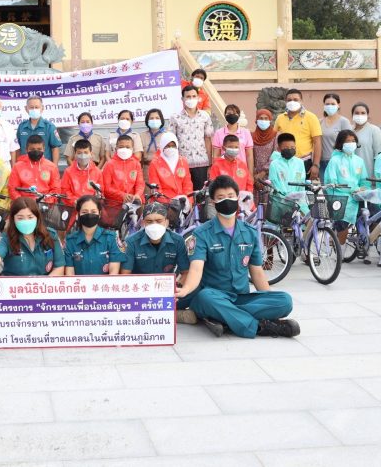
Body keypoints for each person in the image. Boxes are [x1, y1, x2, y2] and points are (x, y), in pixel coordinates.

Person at [178, 175, 299, 338]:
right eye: (221, 197)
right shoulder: (201, 234)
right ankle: (259, 327)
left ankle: (225, 318)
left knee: (285, 301)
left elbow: (257, 273)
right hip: (214, 296)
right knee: (204, 298)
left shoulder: (249, 232)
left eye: (230, 196)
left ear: (237, 198)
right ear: (213, 202)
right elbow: (196, 270)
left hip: (241, 297)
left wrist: (268, 298)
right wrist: (185, 290)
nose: (227, 201)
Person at [120, 202, 200, 324]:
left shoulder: (178, 240)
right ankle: (173, 315)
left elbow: (185, 272)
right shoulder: (131, 242)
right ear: (143, 223)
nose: (154, 225)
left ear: (166, 222)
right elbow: (125, 276)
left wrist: (176, 288)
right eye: (149, 221)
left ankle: (154, 313)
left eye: (159, 221)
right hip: (140, 292)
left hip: (166, 291)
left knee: (195, 289)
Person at [0, 197, 64, 279]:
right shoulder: (7, 237)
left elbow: (59, 267)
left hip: (44, 285)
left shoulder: (50, 235)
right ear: (13, 219)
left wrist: (42, 285)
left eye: (30, 217)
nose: (26, 221)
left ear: (37, 217)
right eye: (20, 218)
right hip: (14, 286)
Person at [323, 129, 369, 245]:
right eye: (347, 141)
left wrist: (365, 189)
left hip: (357, 196)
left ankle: (365, 243)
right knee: (343, 224)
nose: (351, 144)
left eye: (353, 141)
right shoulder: (335, 160)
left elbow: (364, 180)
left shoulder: (359, 161)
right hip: (340, 197)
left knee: (372, 214)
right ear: (341, 143)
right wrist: (353, 189)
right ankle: (340, 248)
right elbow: (331, 182)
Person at [63, 195, 125, 275]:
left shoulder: (111, 238)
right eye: (84, 212)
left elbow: (114, 272)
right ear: (78, 214)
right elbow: (69, 274)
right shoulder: (70, 241)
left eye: (93, 212)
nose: (89, 215)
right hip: (79, 283)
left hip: (105, 283)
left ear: (99, 214)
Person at [168, 85, 214, 189]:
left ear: (198, 98)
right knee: (185, 193)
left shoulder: (205, 116)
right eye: (188, 97)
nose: (191, 99)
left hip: (202, 163)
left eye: (194, 96)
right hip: (182, 164)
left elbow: (208, 139)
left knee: (200, 194)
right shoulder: (175, 117)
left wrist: (210, 163)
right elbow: (172, 142)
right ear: (182, 99)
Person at [273, 88, 322, 178]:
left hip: (304, 162)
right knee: (285, 186)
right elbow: (273, 139)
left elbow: (317, 142)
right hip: (284, 162)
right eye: (289, 100)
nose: (292, 102)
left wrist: (316, 165)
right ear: (285, 102)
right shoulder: (280, 118)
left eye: (295, 100)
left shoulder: (311, 117)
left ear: (301, 101)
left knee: (302, 187)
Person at [8, 134, 59, 200]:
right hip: (23, 203)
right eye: (32, 149)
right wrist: (22, 203)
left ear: (44, 149)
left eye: (39, 149)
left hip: (46, 203)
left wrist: (47, 201)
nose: (36, 151)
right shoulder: (17, 167)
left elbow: (56, 189)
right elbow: (12, 189)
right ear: (26, 149)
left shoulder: (52, 167)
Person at [268, 133, 309, 214]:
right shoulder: (274, 164)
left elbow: (301, 183)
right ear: (279, 148)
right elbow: (274, 184)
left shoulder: (300, 163)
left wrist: (299, 198)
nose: (290, 150)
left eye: (292, 147)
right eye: (286, 148)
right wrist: (286, 198)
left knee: (307, 218)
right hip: (280, 202)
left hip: (298, 201)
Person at [100, 134, 144, 208]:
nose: (124, 149)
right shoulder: (110, 164)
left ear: (132, 149)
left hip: (133, 203)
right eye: (121, 147)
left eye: (127, 147)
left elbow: (140, 183)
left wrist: (137, 194)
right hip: (114, 204)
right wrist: (122, 195)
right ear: (116, 148)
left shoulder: (136, 164)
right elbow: (106, 187)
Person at [147, 132, 193, 202]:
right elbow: (156, 188)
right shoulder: (155, 163)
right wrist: (169, 202)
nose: (170, 148)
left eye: (173, 146)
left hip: (182, 200)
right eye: (167, 146)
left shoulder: (183, 161)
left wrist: (189, 201)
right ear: (162, 146)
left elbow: (187, 184)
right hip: (163, 202)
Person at [15, 95, 61, 164]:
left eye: (36, 107)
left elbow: (55, 148)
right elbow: (17, 148)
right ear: (26, 109)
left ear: (42, 108)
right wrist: (18, 165)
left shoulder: (49, 127)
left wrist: (54, 167)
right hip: (25, 166)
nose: (34, 109)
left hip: (44, 166)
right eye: (31, 107)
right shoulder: (21, 126)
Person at [208, 134, 254, 202]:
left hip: (242, 202)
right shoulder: (217, 165)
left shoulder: (242, 164)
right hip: (225, 203)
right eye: (230, 147)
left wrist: (247, 197)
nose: (234, 149)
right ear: (223, 148)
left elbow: (249, 183)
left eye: (236, 147)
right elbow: (213, 186)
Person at [212, 104, 254, 174]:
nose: (231, 115)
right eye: (229, 113)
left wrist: (250, 174)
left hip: (241, 171)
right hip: (224, 170)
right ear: (225, 115)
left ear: (238, 116)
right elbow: (216, 155)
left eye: (234, 113)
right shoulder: (218, 133)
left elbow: (249, 155)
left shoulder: (246, 132)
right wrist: (216, 171)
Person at [318, 94, 350, 178]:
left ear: (338, 105)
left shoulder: (344, 122)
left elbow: (349, 141)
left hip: (339, 161)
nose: (330, 106)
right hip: (323, 162)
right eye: (327, 104)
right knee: (325, 185)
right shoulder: (319, 122)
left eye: (333, 104)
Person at [350, 102, 381, 176]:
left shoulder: (374, 130)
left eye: (363, 113)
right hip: (350, 173)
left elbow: (378, 155)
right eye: (357, 113)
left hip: (368, 172)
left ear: (367, 115)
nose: (360, 115)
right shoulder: (349, 130)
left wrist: (376, 174)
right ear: (352, 115)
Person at [251, 108, 277, 182]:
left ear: (270, 120)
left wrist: (263, 172)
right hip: (254, 175)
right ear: (256, 120)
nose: (263, 121)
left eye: (266, 118)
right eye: (261, 118)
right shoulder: (251, 136)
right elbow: (249, 155)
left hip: (270, 174)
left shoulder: (275, 136)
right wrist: (254, 174)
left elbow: (276, 156)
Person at [141, 108, 167, 181]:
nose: (154, 120)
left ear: (161, 120)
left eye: (157, 118)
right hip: (147, 170)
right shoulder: (142, 135)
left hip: (163, 169)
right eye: (151, 118)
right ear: (147, 121)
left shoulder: (166, 135)